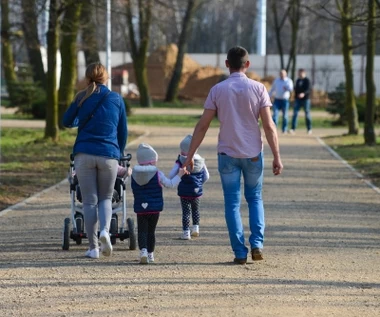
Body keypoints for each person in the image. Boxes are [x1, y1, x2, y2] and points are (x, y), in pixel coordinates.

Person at [182, 46, 283, 264]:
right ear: (247, 65)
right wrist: (277, 156)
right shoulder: (258, 88)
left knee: (232, 203)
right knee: (255, 198)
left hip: (227, 153)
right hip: (254, 153)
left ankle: (239, 252)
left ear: (227, 64)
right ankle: (257, 244)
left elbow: (202, 126)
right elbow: (269, 126)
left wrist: (190, 154)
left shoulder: (217, 90)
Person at [63, 62, 127, 259]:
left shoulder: (81, 97)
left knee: (89, 201)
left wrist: (79, 119)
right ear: (106, 78)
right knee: (106, 198)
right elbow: (122, 131)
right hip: (109, 155)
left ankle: (93, 248)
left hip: (84, 154)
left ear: (87, 78)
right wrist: (119, 153)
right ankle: (105, 232)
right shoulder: (116, 98)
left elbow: (66, 121)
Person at [131, 143, 185, 264]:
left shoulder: (134, 174)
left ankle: (143, 251)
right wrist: (180, 175)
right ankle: (150, 254)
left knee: (142, 230)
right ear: (152, 161)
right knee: (151, 231)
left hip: (141, 208)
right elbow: (170, 184)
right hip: (154, 208)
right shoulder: (158, 173)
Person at [168, 134, 209, 240]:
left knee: (186, 211)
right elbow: (206, 176)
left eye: (182, 150)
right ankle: (196, 228)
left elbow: (171, 174)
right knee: (196, 210)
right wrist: (199, 184)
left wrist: (176, 177)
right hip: (197, 191)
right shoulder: (201, 161)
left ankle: (186, 232)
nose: (181, 152)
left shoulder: (180, 161)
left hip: (184, 192)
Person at [268, 69, 294, 133]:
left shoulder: (288, 81)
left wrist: (287, 88)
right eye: (281, 73)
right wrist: (268, 96)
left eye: (283, 73)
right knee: (275, 115)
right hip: (277, 100)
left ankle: (284, 129)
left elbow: (291, 89)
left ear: (286, 74)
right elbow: (272, 89)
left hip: (285, 100)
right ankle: (274, 129)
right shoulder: (276, 81)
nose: (282, 75)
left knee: (285, 116)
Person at [290, 68, 312, 134]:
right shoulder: (298, 80)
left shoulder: (307, 80)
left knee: (307, 114)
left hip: (306, 100)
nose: (299, 74)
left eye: (301, 73)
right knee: (295, 114)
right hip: (298, 100)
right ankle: (293, 128)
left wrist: (304, 94)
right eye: (298, 73)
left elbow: (308, 89)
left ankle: (309, 129)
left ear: (304, 73)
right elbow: (296, 89)